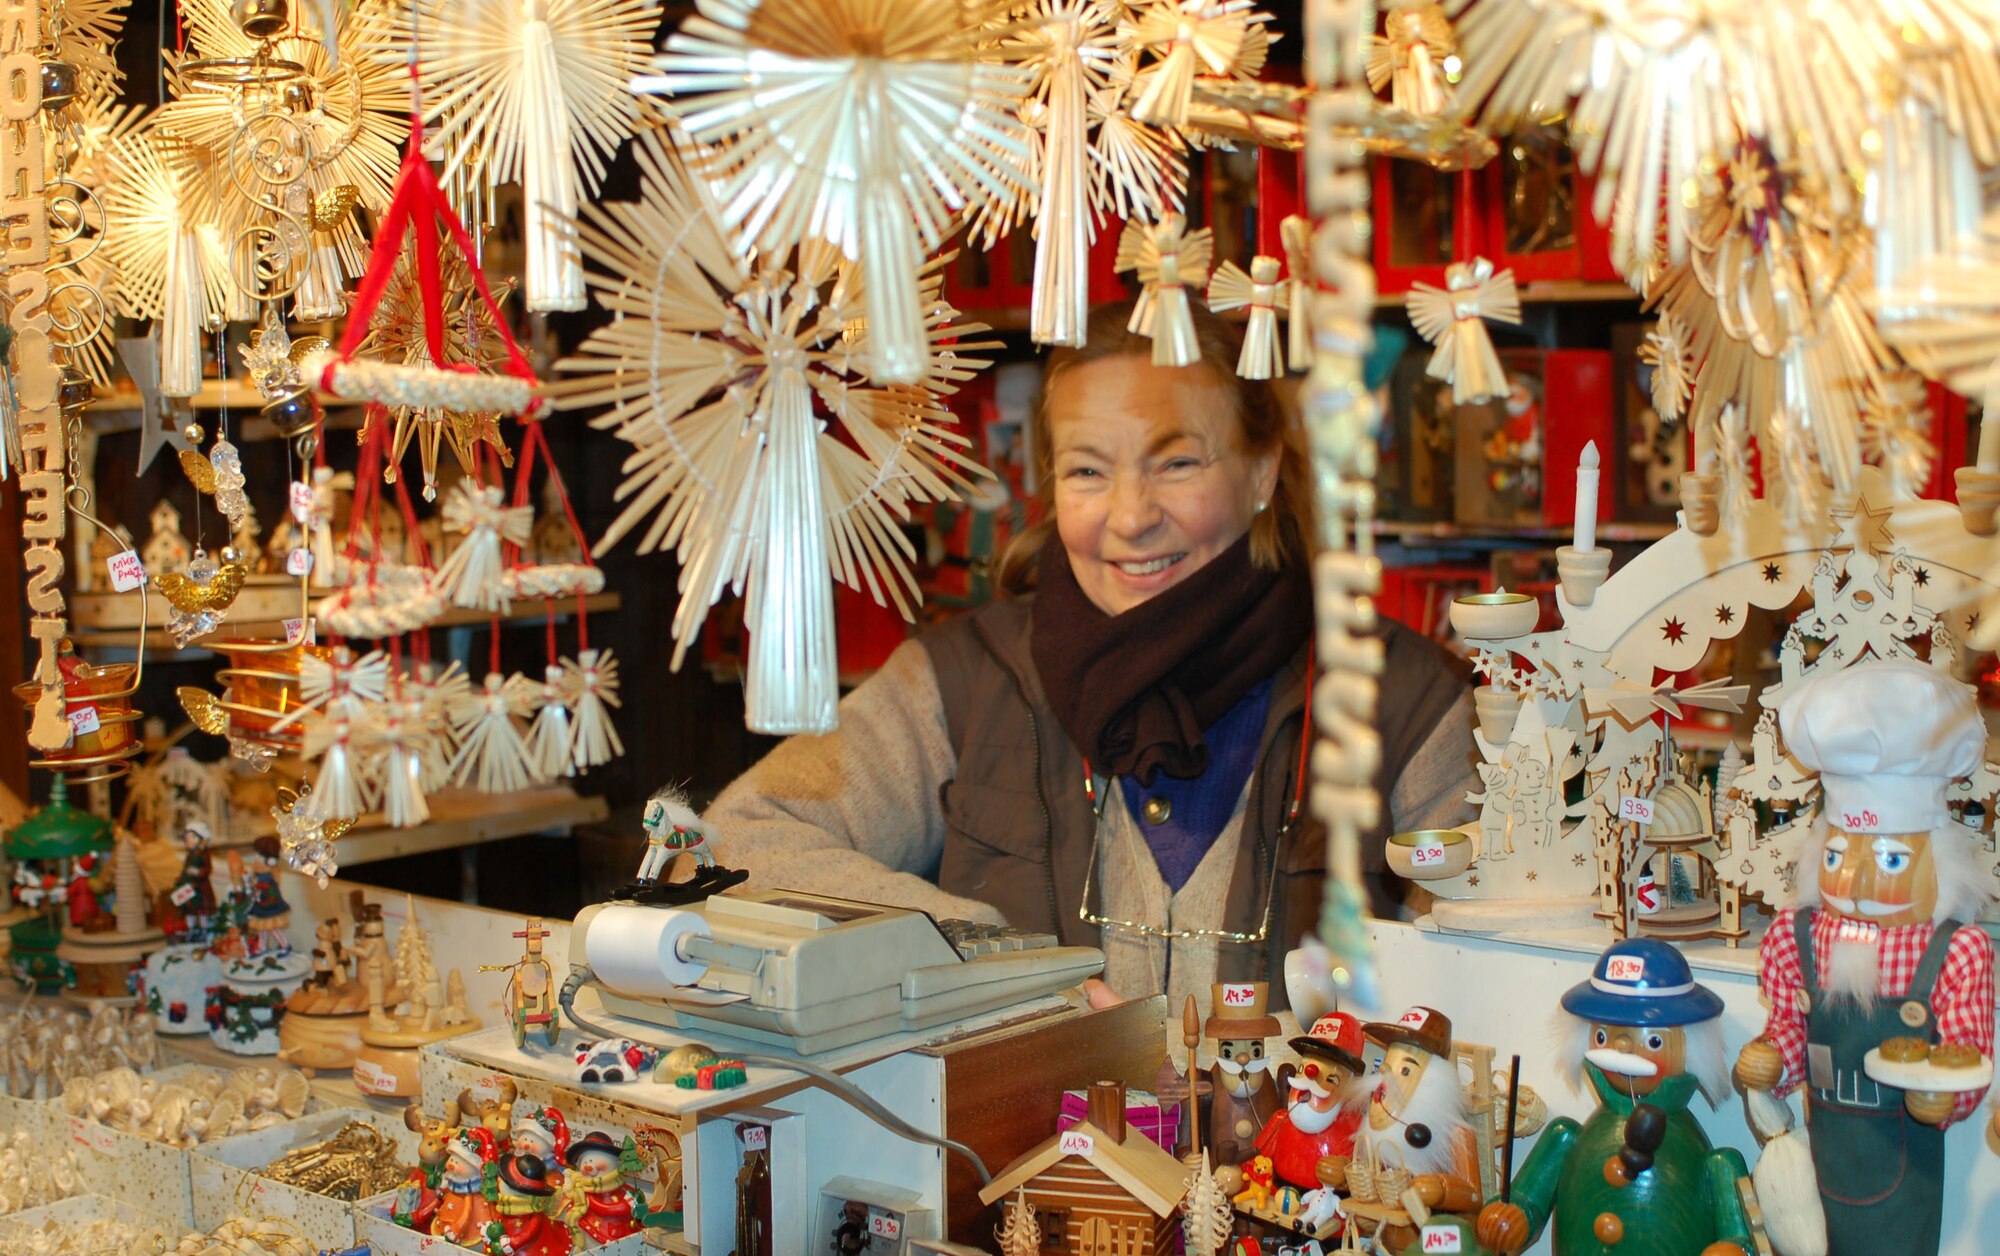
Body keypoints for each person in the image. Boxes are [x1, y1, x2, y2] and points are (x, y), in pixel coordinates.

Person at [701, 299, 1474, 1014]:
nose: (1131, 517)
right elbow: (738, 836)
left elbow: (1483, 989)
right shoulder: (964, 678)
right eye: (1088, 471)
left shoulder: (1406, 705)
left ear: (1263, 469)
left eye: (1177, 463)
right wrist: (988, 961)